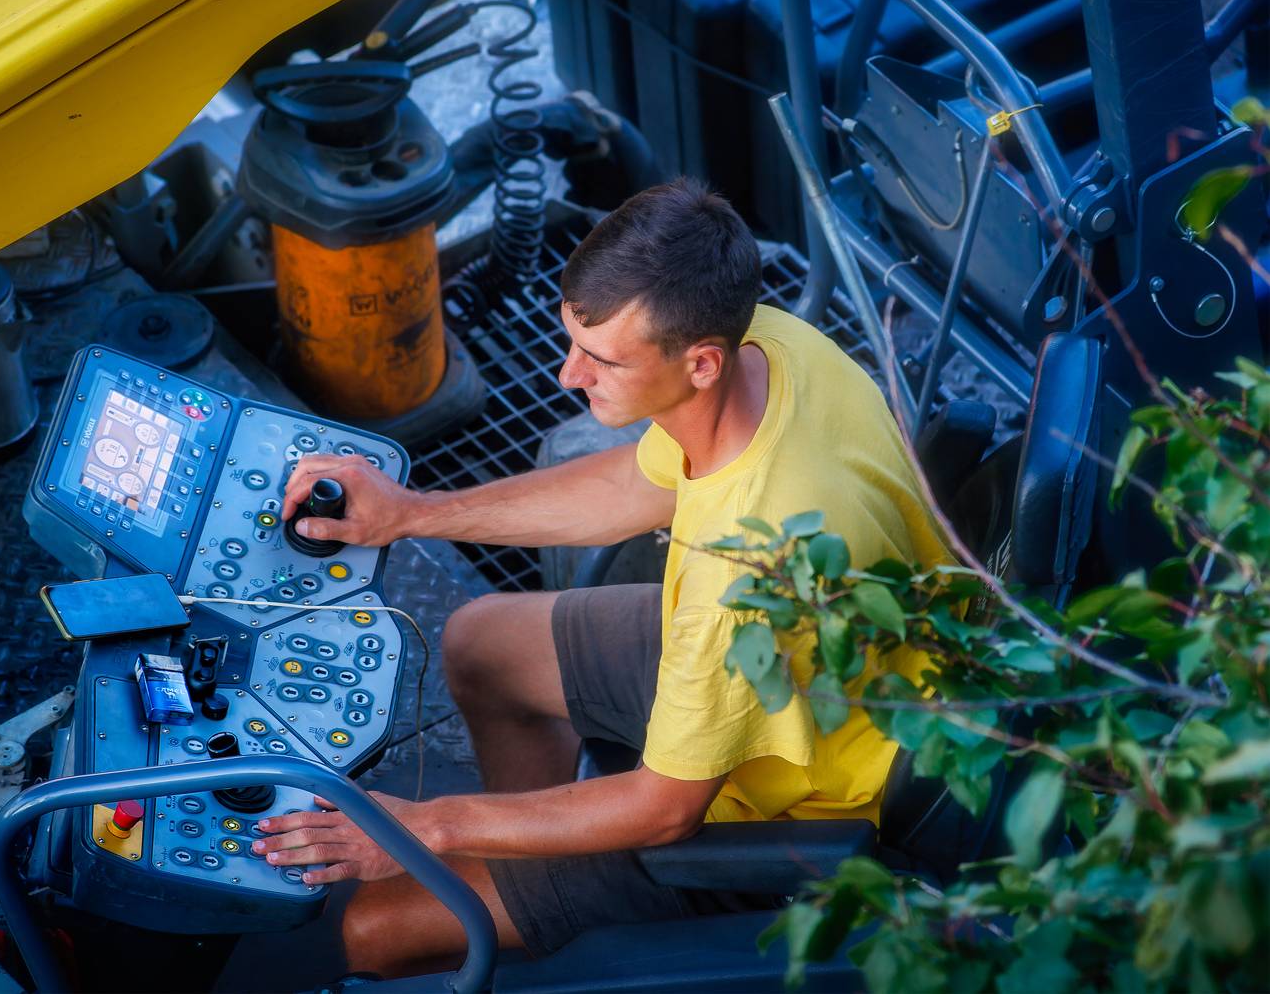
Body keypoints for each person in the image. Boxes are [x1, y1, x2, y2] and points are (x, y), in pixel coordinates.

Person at [250, 178, 950, 977]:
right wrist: (412, 513)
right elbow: (631, 485)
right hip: (840, 676)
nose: (567, 375)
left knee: (375, 930)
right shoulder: (768, 345)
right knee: (485, 643)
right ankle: (518, 897)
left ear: (700, 362)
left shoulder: (736, 587)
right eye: (573, 342)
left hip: (801, 796)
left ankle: (515, 926)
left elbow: (663, 808)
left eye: (603, 360)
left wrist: (432, 826)